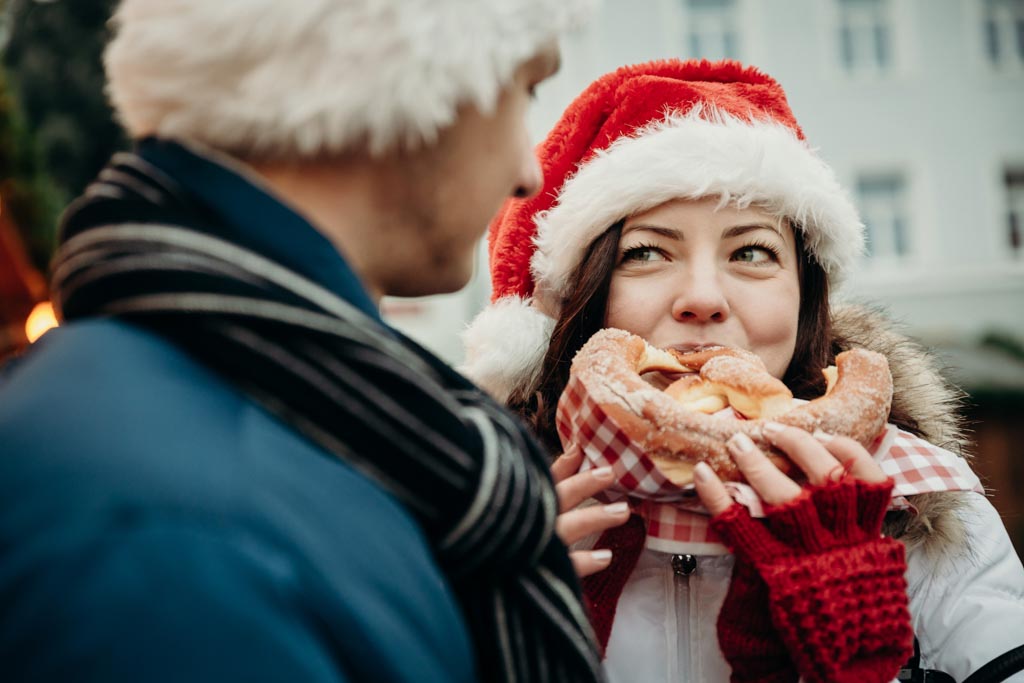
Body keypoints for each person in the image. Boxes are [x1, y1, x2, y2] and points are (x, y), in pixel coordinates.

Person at [0, 1, 610, 682]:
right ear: (406, 77)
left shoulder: (333, 422)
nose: (526, 172)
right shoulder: (177, 530)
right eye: (524, 91)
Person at [463, 59, 1024, 682]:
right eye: (646, 252)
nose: (703, 297)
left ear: (805, 299)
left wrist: (860, 665)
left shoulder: (925, 514)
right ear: (580, 299)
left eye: (751, 251)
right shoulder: (474, 520)